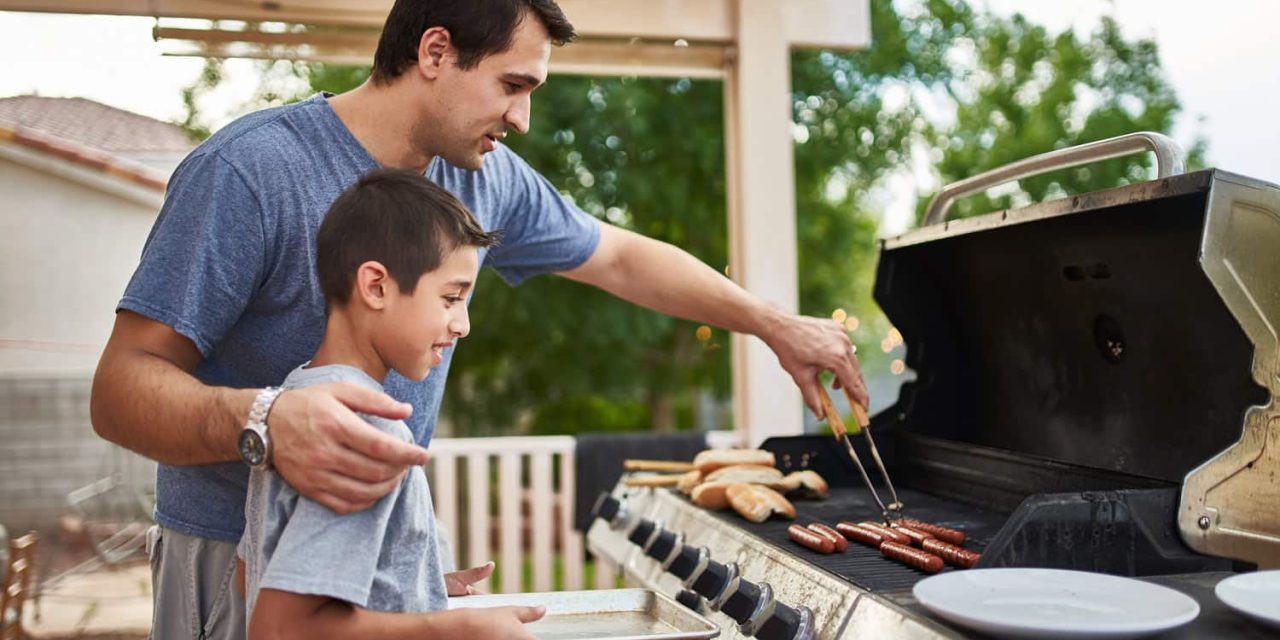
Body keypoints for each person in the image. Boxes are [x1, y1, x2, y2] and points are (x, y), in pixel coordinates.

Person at [90, 0, 868, 638]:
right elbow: (120, 390)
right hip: (231, 562)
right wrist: (270, 420)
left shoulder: (484, 179)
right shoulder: (251, 171)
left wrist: (774, 325)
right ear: (435, 51)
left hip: (359, 575)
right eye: (512, 85)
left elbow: (621, 258)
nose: (522, 118)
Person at [241, 168, 541, 639]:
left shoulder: (297, 398)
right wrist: (456, 630)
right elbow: (283, 628)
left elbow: (253, 574)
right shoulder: (363, 428)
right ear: (376, 286)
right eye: (451, 298)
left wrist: (416, 585)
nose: (462, 325)